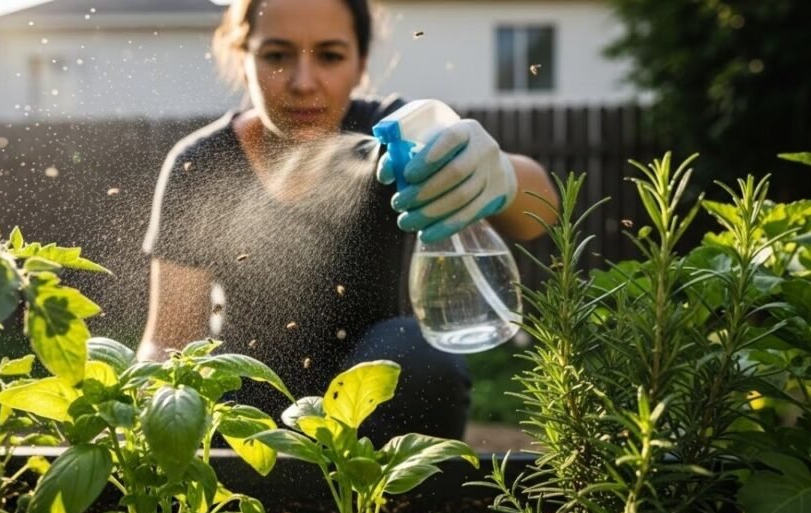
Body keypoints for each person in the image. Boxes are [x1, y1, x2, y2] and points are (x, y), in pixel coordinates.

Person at [139, 0, 558, 444]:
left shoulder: (393, 136)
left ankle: (395, 505)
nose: (304, 82)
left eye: (330, 55)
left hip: (374, 403)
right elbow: (170, 339)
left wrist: (503, 176)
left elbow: (542, 212)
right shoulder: (202, 163)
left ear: (360, 65)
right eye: (277, 55)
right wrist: (149, 403)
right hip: (247, 421)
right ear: (243, 59)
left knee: (419, 353)